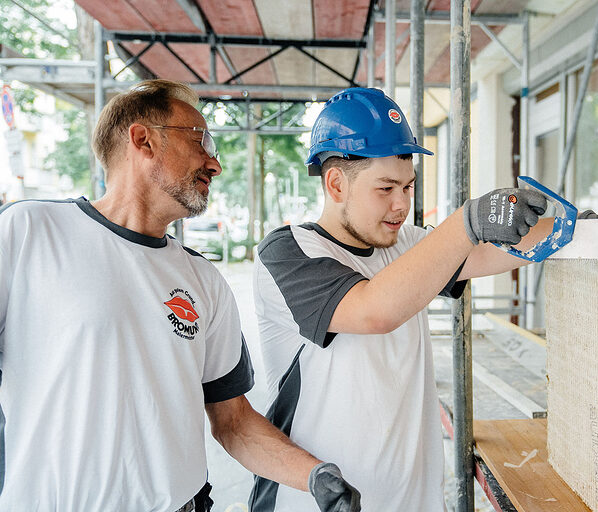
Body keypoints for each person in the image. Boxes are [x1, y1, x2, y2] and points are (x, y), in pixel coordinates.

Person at [0, 80, 360, 512]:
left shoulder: (202, 279)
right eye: (202, 141)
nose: (215, 164)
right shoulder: (29, 232)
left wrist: (312, 474)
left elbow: (234, 422)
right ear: (143, 139)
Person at [250, 87, 554, 511]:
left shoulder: (404, 243)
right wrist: (468, 222)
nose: (401, 204)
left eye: (408, 187)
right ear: (336, 183)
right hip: (317, 503)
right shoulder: (289, 252)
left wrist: (573, 232)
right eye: (386, 188)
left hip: (411, 500)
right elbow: (375, 310)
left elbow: (488, 250)